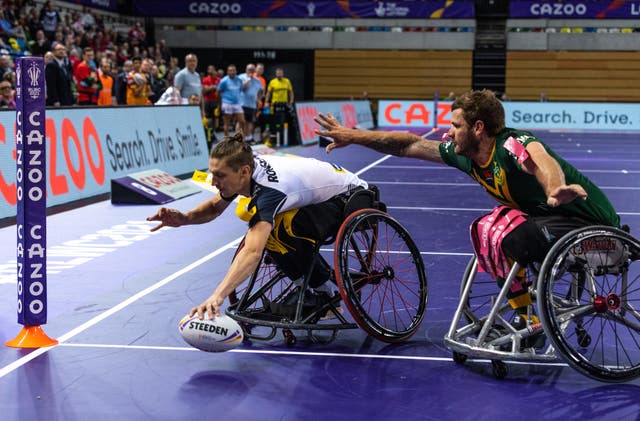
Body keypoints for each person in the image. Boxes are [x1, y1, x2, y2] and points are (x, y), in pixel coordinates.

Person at [314, 89, 620, 332]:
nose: (447, 133)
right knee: (489, 228)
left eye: (455, 126)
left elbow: (540, 161)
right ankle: (528, 320)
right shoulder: (467, 155)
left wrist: (555, 188)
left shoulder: (511, 144)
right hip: (555, 223)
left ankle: (528, 321)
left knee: (507, 230)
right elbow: (409, 145)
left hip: (592, 226)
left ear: (478, 128)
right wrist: (353, 135)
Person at [146, 133, 368, 319]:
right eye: (213, 174)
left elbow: (252, 252)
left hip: (348, 197)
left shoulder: (269, 190)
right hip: (316, 194)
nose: (213, 182)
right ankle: (308, 286)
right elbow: (215, 208)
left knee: (280, 229)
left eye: (220, 176)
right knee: (260, 223)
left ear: (244, 171)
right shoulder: (243, 169)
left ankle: (323, 295)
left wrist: (218, 296)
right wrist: (184, 218)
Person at [216, 64, 245, 137]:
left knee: (242, 121)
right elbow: (218, 92)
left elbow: (240, 90)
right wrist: (219, 105)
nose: (232, 72)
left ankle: (238, 138)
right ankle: (227, 140)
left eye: (234, 70)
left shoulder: (239, 80)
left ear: (236, 71)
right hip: (227, 103)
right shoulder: (224, 81)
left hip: (237, 104)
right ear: (227, 72)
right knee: (227, 124)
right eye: (230, 70)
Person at [238, 63, 263, 143]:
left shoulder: (257, 80)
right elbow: (240, 87)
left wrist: (258, 99)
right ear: (246, 70)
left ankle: (248, 139)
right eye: (249, 69)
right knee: (241, 122)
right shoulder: (241, 77)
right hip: (242, 104)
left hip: (252, 105)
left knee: (250, 122)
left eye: (252, 70)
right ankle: (238, 139)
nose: (251, 71)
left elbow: (261, 90)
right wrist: (248, 79)